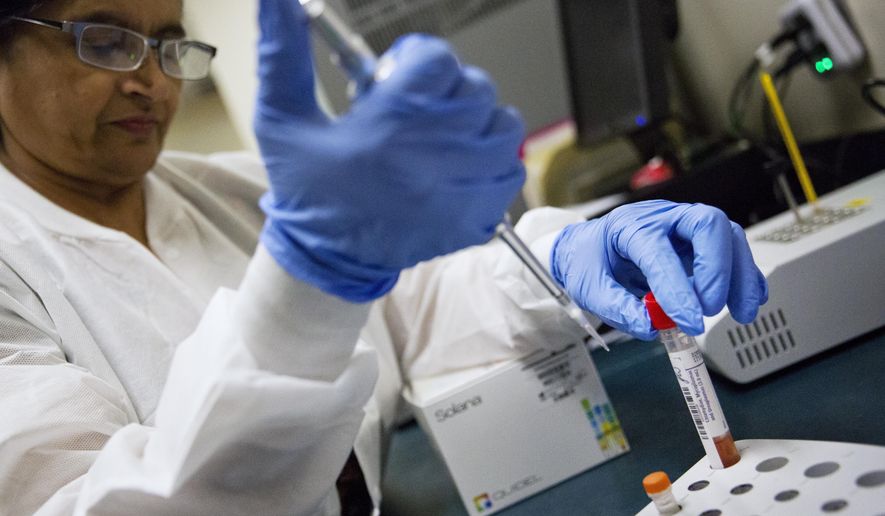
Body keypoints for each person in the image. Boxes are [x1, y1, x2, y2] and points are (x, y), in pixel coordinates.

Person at [0, 0, 768, 514]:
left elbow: (414, 304)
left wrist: (566, 255)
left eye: (170, 45)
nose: (150, 80)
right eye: (103, 39)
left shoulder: (228, 190)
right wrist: (309, 276)